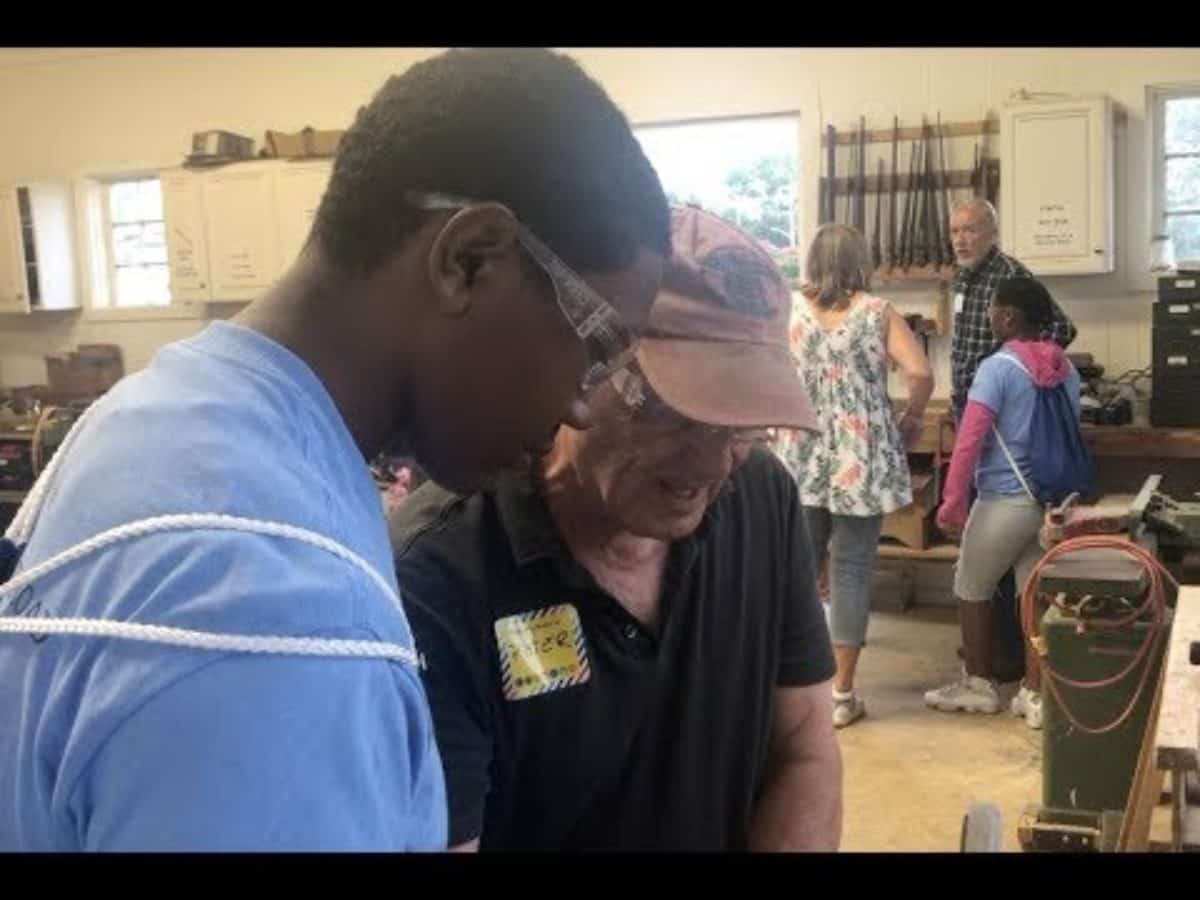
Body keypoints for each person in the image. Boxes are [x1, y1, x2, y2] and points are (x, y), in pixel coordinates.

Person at [0, 48, 670, 851]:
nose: (579, 408)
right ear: (470, 259)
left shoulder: (153, 417)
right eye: (594, 347)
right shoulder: (279, 610)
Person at [390, 206, 841, 852]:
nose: (714, 464)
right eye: (682, 415)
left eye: (742, 424)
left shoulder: (761, 499)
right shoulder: (439, 577)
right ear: (580, 364)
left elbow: (803, 749)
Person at [775, 223, 933, 728]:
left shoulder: (788, 309)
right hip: (859, 453)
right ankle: (841, 694)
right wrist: (909, 418)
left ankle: (791, 689)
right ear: (860, 260)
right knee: (851, 570)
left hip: (800, 444)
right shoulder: (876, 312)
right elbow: (921, 373)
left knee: (797, 568)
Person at [926, 277, 1082, 727]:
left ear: (1009, 317)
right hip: (1047, 501)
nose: (989, 316)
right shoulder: (1065, 369)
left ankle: (978, 684)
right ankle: (1035, 694)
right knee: (1031, 592)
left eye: (993, 309)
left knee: (970, 586)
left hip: (1001, 499)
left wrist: (953, 500)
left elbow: (970, 438)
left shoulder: (997, 368)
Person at [949, 198, 1076, 423]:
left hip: (1003, 406)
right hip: (967, 403)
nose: (960, 240)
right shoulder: (962, 277)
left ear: (993, 233)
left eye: (969, 230)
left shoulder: (1010, 275)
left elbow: (1062, 329)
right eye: (954, 231)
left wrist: (1018, 376)